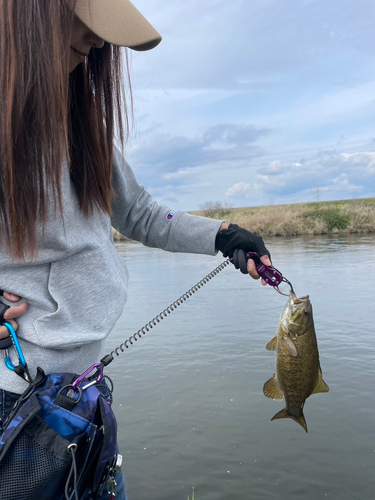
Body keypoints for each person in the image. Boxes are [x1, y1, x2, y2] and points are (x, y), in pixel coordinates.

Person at [0, 1, 272, 499]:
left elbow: (141, 213)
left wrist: (221, 235)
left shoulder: (79, 123)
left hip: (84, 393)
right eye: (88, 24)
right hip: (14, 403)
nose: (101, 43)